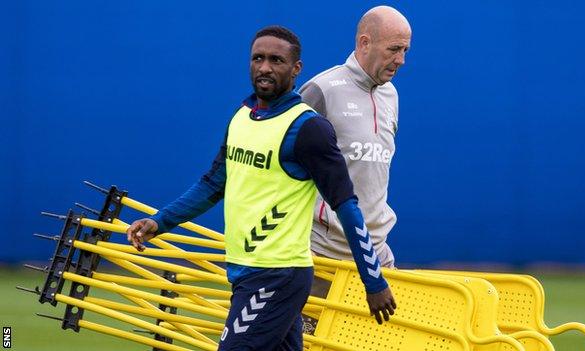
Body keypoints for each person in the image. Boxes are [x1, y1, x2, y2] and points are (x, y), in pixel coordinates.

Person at [126, 26, 396, 351]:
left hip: (277, 277)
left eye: (276, 60)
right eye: (258, 58)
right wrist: (160, 221)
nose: (265, 67)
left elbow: (346, 205)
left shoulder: (309, 128)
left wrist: (372, 279)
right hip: (244, 271)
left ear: (296, 69)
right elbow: (213, 183)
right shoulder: (242, 117)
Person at [300, 6, 411, 269]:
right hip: (323, 252)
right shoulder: (322, 90)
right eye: (394, 49)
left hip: (377, 250)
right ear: (365, 43)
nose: (401, 60)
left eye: (405, 51)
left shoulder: (391, 95)